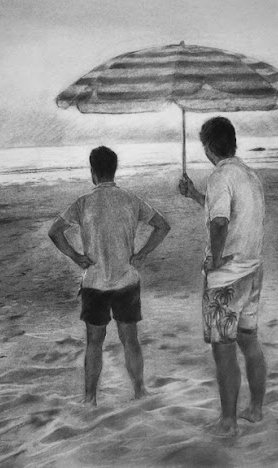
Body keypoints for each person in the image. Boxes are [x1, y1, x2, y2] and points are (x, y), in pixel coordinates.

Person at [48, 146, 171, 406]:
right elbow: (162, 225)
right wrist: (143, 253)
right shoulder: (131, 199)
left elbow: (54, 231)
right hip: (126, 280)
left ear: (92, 172)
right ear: (114, 169)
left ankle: (90, 398)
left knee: (94, 342)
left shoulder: (83, 203)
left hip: (94, 282)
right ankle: (139, 391)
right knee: (130, 340)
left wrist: (75, 256)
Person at [178, 116, 267, 436]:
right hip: (252, 269)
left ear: (207, 148)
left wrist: (214, 261)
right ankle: (255, 409)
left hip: (227, 276)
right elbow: (229, 212)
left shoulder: (220, 176)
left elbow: (219, 223)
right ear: (233, 143)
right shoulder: (249, 175)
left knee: (224, 348)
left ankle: (228, 422)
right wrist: (194, 195)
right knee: (249, 341)